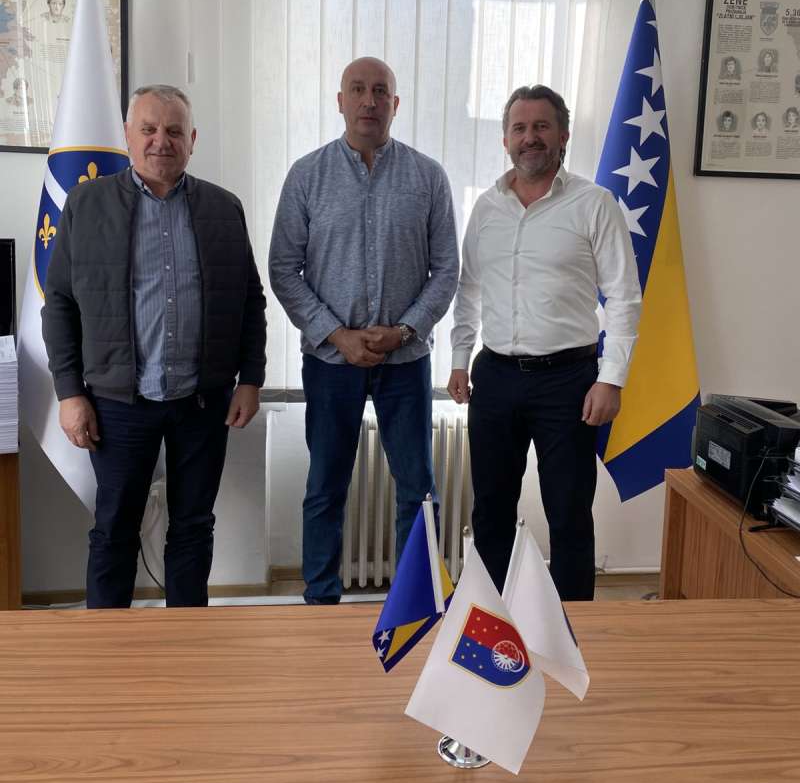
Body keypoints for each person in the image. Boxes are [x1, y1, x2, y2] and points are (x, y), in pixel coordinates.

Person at [42, 85, 267, 608]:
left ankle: (186, 643)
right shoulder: (86, 205)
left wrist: (251, 379)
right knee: (114, 529)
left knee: (193, 528)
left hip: (202, 402)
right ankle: (110, 645)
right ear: (128, 135)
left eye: (173, 131)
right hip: (118, 403)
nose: (160, 141)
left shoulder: (224, 208)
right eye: (148, 129)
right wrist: (69, 393)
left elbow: (249, 299)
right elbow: (60, 304)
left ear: (192, 139)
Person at [269, 56, 459, 605]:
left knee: (417, 489)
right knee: (325, 487)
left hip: (406, 362)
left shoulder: (428, 177)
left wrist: (405, 330)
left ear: (395, 105)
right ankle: (321, 600)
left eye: (380, 91)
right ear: (340, 101)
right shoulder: (307, 175)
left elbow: (446, 269)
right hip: (331, 362)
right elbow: (283, 268)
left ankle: (414, 602)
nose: (369, 101)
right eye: (357, 89)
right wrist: (337, 334)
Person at [447, 84, 641, 601]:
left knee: (569, 511)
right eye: (519, 128)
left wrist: (612, 379)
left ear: (563, 135)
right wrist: (460, 360)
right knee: (490, 509)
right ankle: (489, 621)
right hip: (495, 377)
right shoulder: (487, 207)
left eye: (541, 127)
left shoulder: (594, 204)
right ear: (505, 139)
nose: (529, 137)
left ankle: (572, 626)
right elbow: (469, 289)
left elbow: (624, 298)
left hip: (569, 382)